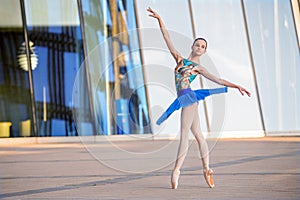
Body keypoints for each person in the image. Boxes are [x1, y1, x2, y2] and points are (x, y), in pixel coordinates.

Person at [147, 7, 251, 189]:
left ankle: (176, 170)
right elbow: (167, 39)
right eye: (198, 45)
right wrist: (159, 19)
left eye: (203, 47)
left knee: (185, 135)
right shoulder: (179, 59)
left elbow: (218, 80)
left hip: (189, 98)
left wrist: (237, 86)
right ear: (192, 46)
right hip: (185, 98)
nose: (200, 48)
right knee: (199, 136)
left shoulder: (198, 68)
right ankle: (206, 169)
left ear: (204, 51)